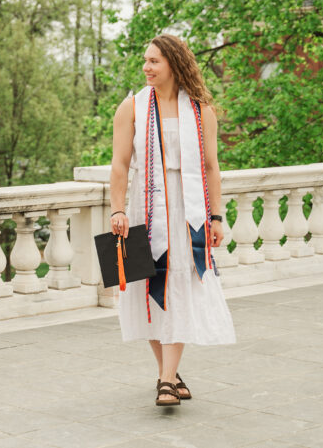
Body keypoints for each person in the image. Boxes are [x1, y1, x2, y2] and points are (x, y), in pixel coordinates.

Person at [109, 34, 236, 407]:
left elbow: (212, 167)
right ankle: (170, 373)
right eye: (145, 61)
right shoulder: (130, 107)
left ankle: (166, 379)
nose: (146, 68)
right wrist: (118, 209)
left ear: (174, 65)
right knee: (146, 290)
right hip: (142, 208)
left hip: (187, 210)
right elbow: (118, 165)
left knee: (179, 287)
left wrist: (215, 216)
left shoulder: (200, 111)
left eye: (154, 61)